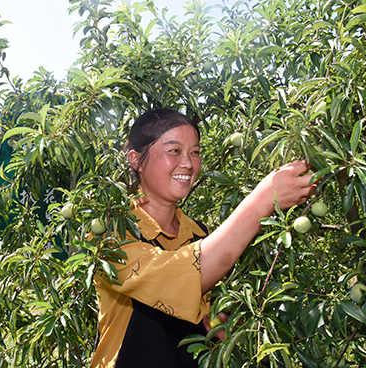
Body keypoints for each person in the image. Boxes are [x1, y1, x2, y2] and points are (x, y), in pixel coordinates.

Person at [90, 108, 317, 368]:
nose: (188, 163)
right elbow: (184, 275)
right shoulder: (112, 234)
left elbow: (211, 316)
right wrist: (261, 200)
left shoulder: (199, 233)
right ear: (136, 159)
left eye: (195, 152)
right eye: (174, 150)